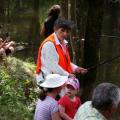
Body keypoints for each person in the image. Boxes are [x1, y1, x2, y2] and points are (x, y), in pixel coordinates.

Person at [36, 18, 88, 84]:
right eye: (62, 30)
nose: (65, 34)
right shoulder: (49, 44)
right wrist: (67, 75)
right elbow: (53, 66)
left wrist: (76, 68)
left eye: (67, 31)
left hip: (58, 80)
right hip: (48, 82)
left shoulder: (63, 43)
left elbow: (64, 61)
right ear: (55, 29)